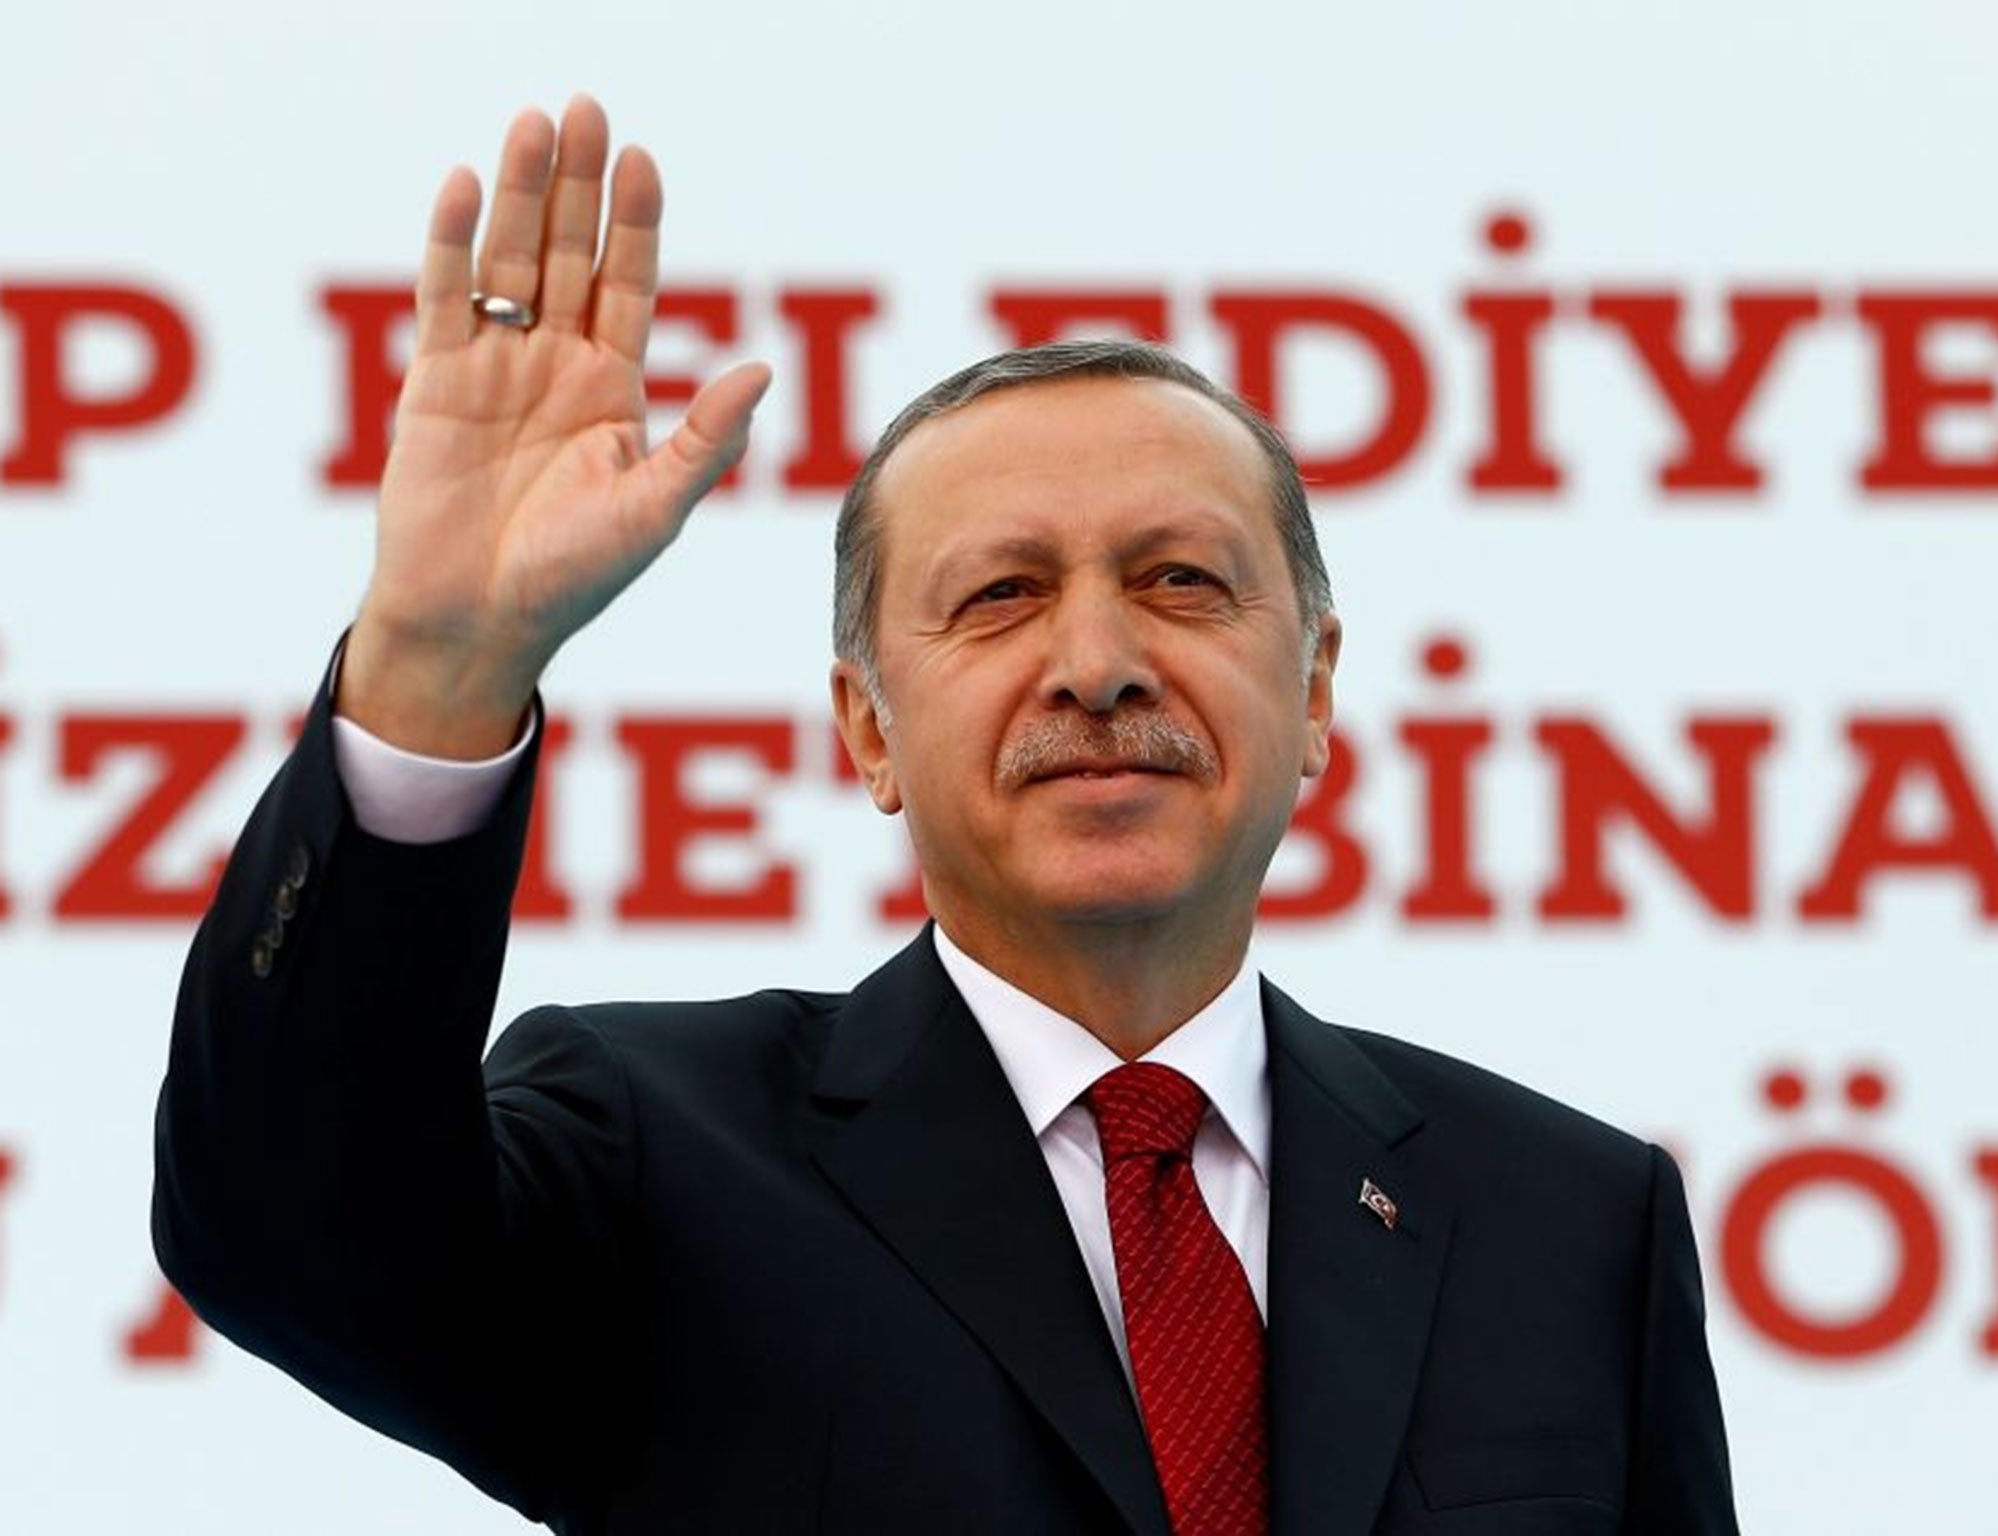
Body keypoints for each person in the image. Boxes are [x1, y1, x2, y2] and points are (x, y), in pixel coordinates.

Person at [153, 97, 1740, 1535]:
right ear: (869, 730)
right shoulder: (659, 1156)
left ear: (1314, 691)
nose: (1102, 664)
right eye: (1002, 595)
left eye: (1181, 581)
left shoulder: (1572, 1222)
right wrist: (439, 667)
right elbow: (294, 1239)